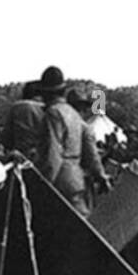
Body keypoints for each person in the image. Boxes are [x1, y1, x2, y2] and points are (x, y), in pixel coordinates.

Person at [36, 66, 109, 216]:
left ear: (44, 93)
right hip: (77, 180)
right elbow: (91, 153)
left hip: (60, 182)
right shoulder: (75, 116)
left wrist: (42, 186)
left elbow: (52, 154)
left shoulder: (53, 113)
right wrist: (100, 175)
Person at [2, 80, 46, 163]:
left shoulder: (16, 107)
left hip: (20, 157)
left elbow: (6, 139)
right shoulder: (48, 108)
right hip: (42, 157)